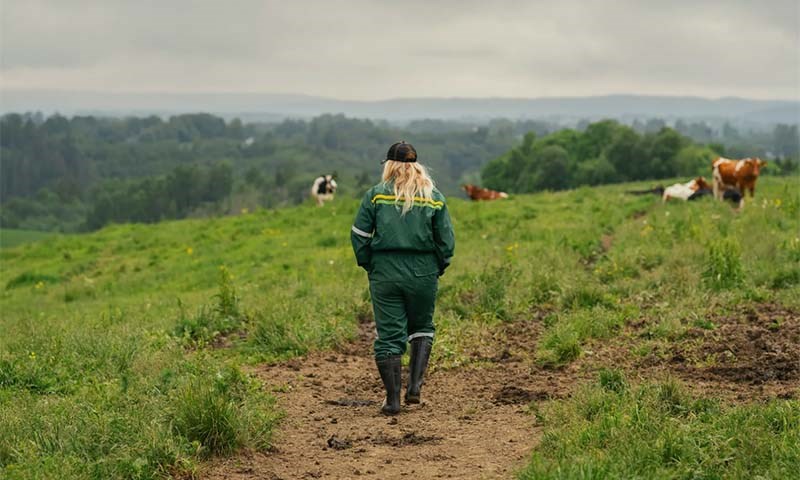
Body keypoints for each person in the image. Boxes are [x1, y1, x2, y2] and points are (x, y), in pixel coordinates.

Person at [350, 141, 455, 415]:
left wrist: (369, 264)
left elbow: (359, 235)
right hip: (423, 271)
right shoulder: (434, 196)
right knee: (422, 326)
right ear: (416, 165)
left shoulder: (376, 195)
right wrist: (437, 267)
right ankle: (415, 388)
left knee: (389, 335)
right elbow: (446, 241)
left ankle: (393, 400)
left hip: (385, 271)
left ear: (389, 166)